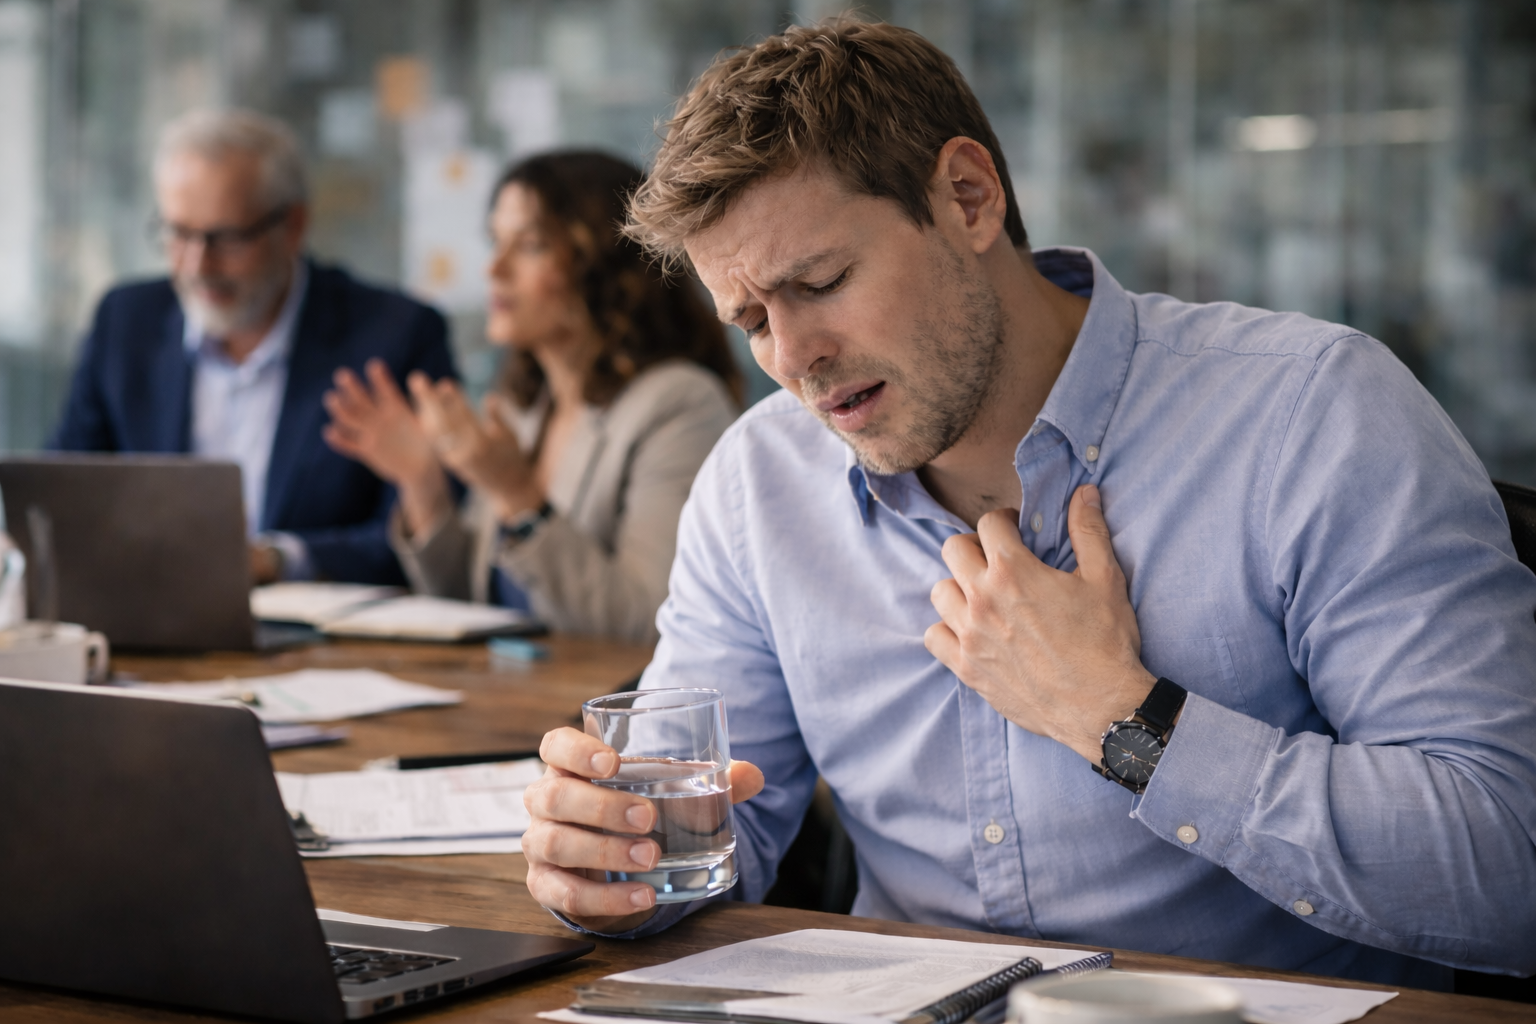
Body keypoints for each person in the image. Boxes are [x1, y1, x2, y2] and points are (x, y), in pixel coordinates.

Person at [519, 19, 1536, 989]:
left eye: (820, 282)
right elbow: (704, 838)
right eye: (748, 320)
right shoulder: (757, 484)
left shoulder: (1313, 415)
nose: (792, 360)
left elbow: (1510, 864)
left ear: (968, 197)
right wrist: (614, 859)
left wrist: (1123, 722)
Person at [321, 151, 740, 643]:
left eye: (531, 246)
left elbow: (643, 625)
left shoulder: (679, 404)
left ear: (605, 264)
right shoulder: (524, 408)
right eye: (496, 243)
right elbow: (471, 608)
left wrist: (518, 496)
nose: (494, 268)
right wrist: (422, 484)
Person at [52, 109, 456, 585]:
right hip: (149, 627)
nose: (198, 264)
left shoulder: (394, 336)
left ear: (293, 227)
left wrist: (275, 560)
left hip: (324, 643)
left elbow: (413, 540)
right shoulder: (125, 323)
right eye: (178, 234)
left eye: (226, 238)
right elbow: (61, 493)